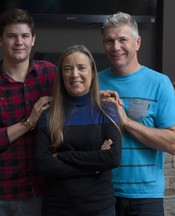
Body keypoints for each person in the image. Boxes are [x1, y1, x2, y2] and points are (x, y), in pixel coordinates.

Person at [0, 8, 56, 216]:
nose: (19, 42)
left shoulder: (50, 74)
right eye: (12, 36)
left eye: (25, 36)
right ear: (0, 40)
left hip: (39, 191)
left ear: (33, 39)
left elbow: (78, 96)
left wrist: (100, 95)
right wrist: (28, 123)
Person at [98, 12, 175, 216]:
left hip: (146, 197)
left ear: (137, 42)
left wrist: (125, 122)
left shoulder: (160, 83)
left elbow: (174, 143)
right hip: (101, 193)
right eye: (109, 41)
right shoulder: (94, 83)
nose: (116, 47)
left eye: (122, 40)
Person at [36, 44, 122, 216]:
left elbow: (112, 158)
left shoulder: (107, 110)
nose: (75, 74)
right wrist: (94, 166)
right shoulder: (49, 114)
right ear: (61, 75)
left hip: (100, 208)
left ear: (92, 72)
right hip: (57, 208)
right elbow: (43, 164)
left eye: (81, 67)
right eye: (68, 69)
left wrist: (62, 156)